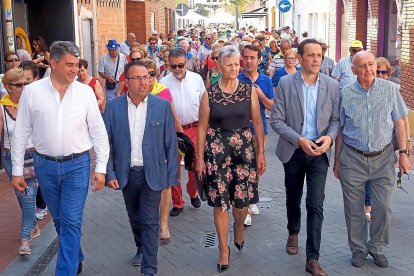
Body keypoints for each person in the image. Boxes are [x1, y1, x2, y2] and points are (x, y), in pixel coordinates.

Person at [11, 41, 110, 275]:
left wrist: (102, 167)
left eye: (77, 65)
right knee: (60, 220)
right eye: (69, 65)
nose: (75, 70)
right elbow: (22, 132)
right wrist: (16, 170)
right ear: (53, 63)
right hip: (44, 166)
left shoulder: (85, 93)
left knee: (72, 221)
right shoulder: (32, 92)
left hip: (77, 165)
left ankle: (64, 271)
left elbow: (98, 131)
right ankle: (75, 255)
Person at [333, 51, 411, 268]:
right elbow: (340, 129)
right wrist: (337, 160)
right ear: (353, 70)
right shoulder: (345, 93)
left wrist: (403, 153)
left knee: (383, 207)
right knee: (353, 208)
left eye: (371, 64)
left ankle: (377, 247)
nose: (368, 70)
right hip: (352, 157)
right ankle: (358, 249)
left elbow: (400, 123)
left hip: (383, 158)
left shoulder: (390, 90)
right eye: (363, 66)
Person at [270, 39, 340, 276]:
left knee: (315, 204)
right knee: (293, 196)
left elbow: (335, 120)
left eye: (319, 55)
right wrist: (299, 139)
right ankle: (293, 230)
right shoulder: (286, 83)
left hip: (319, 152)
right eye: (310, 55)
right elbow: (276, 120)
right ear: (299, 59)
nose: (315, 59)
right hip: (294, 150)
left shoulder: (331, 85)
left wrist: (329, 139)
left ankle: (313, 258)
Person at [104, 60, 178, 276]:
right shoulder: (114, 107)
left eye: (147, 77)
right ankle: (140, 246)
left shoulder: (161, 106)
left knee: (150, 220)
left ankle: (149, 268)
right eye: (138, 78)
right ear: (127, 82)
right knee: (134, 216)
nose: (144, 82)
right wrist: (110, 173)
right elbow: (106, 143)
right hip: (126, 174)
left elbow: (170, 143)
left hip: (152, 174)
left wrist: (171, 177)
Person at [197, 45, 266, 273]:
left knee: (242, 203)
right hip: (217, 153)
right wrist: (199, 158)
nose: (235, 68)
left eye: (237, 64)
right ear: (219, 66)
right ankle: (223, 249)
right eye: (230, 64)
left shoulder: (249, 91)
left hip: (244, 153)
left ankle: (239, 226)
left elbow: (257, 123)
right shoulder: (210, 94)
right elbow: (202, 127)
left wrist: (261, 152)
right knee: (220, 203)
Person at [159, 47, 205, 217]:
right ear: (168, 65)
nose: (177, 69)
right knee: (173, 169)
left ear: (187, 62)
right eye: (173, 66)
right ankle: (178, 202)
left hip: (194, 129)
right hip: (173, 133)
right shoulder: (163, 83)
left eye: (180, 65)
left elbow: (204, 105)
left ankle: (193, 192)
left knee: (195, 168)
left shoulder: (197, 79)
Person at [142, 58, 183, 241]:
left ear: (156, 75)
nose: (147, 79)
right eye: (143, 75)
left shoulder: (163, 92)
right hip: (141, 147)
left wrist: (181, 144)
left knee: (165, 184)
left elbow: (174, 119)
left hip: (161, 145)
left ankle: (164, 224)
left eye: (151, 74)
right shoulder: (134, 93)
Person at [0, 68, 40, 255]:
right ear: (8, 87)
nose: (23, 88)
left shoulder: (32, 104)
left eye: (25, 83)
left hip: (32, 156)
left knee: (28, 196)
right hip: (11, 158)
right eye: (18, 85)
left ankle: (25, 239)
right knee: (22, 198)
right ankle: (33, 226)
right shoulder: (1, 107)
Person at [238, 44, 274, 226]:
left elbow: (271, 107)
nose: (249, 61)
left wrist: (259, 95)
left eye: (252, 58)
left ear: (259, 60)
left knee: (257, 166)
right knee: (243, 168)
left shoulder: (266, 81)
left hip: (260, 130)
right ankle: (245, 206)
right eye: (246, 57)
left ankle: (252, 198)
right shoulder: (237, 78)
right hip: (241, 130)